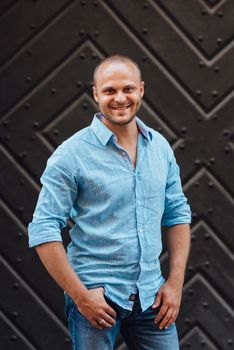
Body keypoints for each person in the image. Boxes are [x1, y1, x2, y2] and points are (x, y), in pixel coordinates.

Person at [28, 55, 191, 350]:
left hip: (151, 297)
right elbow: (43, 228)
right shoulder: (71, 155)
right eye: (109, 90)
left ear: (141, 90)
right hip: (96, 298)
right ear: (95, 93)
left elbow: (177, 214)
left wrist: (175, 283)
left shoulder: (160, 148)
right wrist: (80, 297)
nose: (120, 99)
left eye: (127, 89)